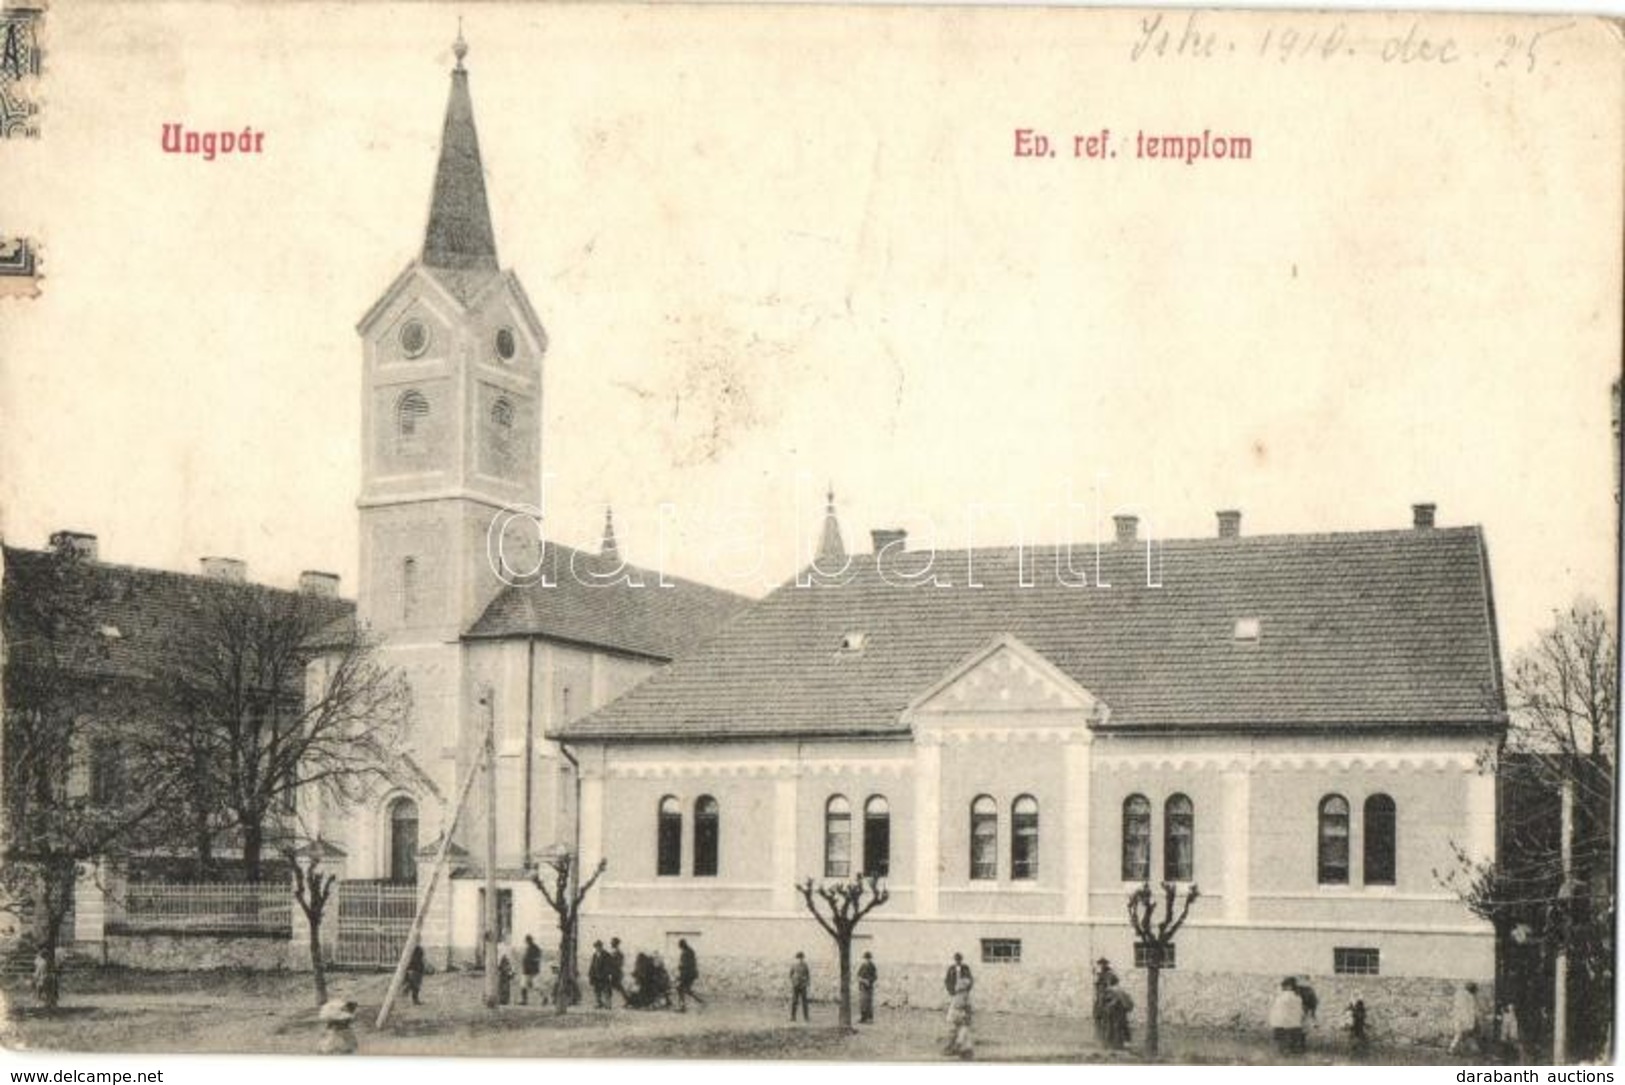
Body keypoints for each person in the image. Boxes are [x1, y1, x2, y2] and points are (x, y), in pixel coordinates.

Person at [1269, 977, 1305, 1055]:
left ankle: (1284, 1050)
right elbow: (1300, 1012)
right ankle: (1292, 1049)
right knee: (1291, 1039)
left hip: (1280, 1024)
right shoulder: (1297, 997)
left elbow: (1275, 1010)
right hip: (1294, 1025)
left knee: (1282, 1041)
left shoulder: (1280, 996)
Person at [944, 973, 974, 1059]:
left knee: (958, 1031)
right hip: (959, 1015)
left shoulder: (957, 995)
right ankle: (960, 1048)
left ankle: (960, 1049)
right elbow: (966, 1007)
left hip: (954, 1015)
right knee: (963, 1030)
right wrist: (967, 1015)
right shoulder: (964, 995)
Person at [1102, 972, 1134, 1050]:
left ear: (1110, 981)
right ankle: (1124, 1043)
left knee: (1113, 1027)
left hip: (1116, 1011)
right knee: (1123, 1026)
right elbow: (1128, 1000)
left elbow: (1113, 1001)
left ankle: (1113, 1045)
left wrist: (1107, 1007)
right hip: (1122, 1010)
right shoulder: (1121, 989)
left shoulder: (1110, 990)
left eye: (1108, 981)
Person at [1448, 981, 1482, 1056]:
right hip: (1464, 1019)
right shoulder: (1470, 997)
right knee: (1462, 1035)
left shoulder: (1460, 994)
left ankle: (1474, 1049)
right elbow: (1470, 1011)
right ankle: (1452, 1049)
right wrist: (1471, 1021)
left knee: (1464, 1035)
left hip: (1459, 1018)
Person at [1091, 958, 1117, 1045]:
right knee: (1097, 1016)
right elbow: (1097, 985)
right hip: (1100, 996)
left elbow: (1112, 983)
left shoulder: (1110, 974)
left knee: (1108, 1019)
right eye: (1100, 964)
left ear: (1106, 964)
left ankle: (1109, 1039)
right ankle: (1099, 1037)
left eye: (1103, 964)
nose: (1102, 965)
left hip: (1108, 996)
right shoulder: (1099, 974)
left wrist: (1107, 987)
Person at [676, 939, 702, 1011]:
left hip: (687, 974)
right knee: (687, 990)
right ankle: (700, 1001)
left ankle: (682, 1007)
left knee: (680, 989)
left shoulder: (685, 953)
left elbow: (685, 965)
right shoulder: (691, 951)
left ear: (682, 945)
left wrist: (681, 970)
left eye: (680, 946)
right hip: (692, 974)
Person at [588, 939, 611, 1009]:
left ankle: (608, 1004)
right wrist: (591, 974)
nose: (597, 948)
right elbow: (592, 965)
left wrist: (604, 974)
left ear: (601, 946)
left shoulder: (606, 954)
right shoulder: (594, 955)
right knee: (597, 990)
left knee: (605, 990)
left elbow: (608, 966)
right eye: (596, 947)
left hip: (603, 976)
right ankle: (599, 1003)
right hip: (596, 975)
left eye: (599, 946)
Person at [789, 951, 812, 1022]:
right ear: (797, 958)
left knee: (804, 1002)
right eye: (799, 958)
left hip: (803, 986)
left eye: (801, 958)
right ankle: (793, 1017)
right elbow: (790, 975)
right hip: (795, 985)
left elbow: (808, 975)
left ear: (803, 958)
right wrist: (793, 981)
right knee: (794, 1001)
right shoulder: (793, 965)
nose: (800, 960)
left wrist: (807, 982)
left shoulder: (805, 965)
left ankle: (806, 1017)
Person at [520, 935, 543, 1006]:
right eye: (527, 941)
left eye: (528, 940)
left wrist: (531, 961)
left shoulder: (536, 948)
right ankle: (524, 1000)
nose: (527, 942)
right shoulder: (528, 948)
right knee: (523, 986)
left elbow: (538, 958)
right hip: (527, 971)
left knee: (536, 986)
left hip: (533, 971)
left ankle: (544, 998)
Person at [607, 937, 629, 1007]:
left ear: (616, 944)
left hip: (616, 973)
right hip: (613, 972)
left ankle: (627, 1000)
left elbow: (619, 963)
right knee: (616, 987)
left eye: (612, 943)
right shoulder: (614, 952)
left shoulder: (618, 953)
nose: (611, 944)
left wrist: (612, 963)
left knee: (617, 987)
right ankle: (627, 1000)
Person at [856, 951, 878, 1024]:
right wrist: (862, 980)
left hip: (869, 987)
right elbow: (858, 975)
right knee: (862, 1003)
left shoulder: (872, 966)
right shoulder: (862, 966)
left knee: (868, 1003)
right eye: (865, 959)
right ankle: (863, 1018)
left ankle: (869, 1018)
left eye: (868, 959)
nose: (867, 960)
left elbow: (875, 977)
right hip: (862, 987)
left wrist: (869, 981)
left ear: (870, 959)